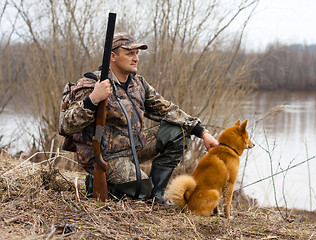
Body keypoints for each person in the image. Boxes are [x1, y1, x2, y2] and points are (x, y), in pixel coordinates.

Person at [60, 32, 218, 204]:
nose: (136, 58)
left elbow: (167, 109)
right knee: (141, 189)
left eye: (136, 54)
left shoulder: (138, 84)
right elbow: (66, 125)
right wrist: (93, 100)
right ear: (113, 56)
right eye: (129, 54)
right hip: (104, 158)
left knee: (177, 133)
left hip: (132, 150)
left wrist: (203, 133)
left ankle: (156, 196)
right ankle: (101, 185)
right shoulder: (92, 84)